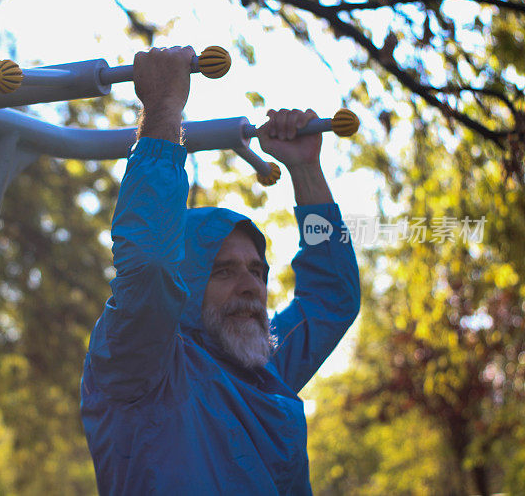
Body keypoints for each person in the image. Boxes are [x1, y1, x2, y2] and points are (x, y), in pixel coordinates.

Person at [80, 46, 360, 495]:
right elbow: (151, 267)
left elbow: (331, 299)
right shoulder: (144, 367)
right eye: (224, 272)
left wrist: (305, 170)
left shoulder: (264, 364)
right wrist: (163, 108)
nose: (251, 286)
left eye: (257, 270)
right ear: (186, 286)